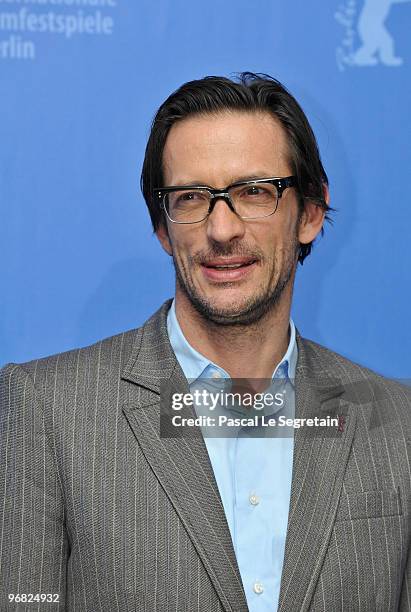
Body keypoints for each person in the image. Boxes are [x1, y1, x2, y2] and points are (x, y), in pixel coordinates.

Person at [0, 73, 409, 612]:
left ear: (309, 213)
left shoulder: (399, 422)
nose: (221, 229)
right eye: (192, 197)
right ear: (164, 227)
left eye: (254, 192)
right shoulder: (45, 410)